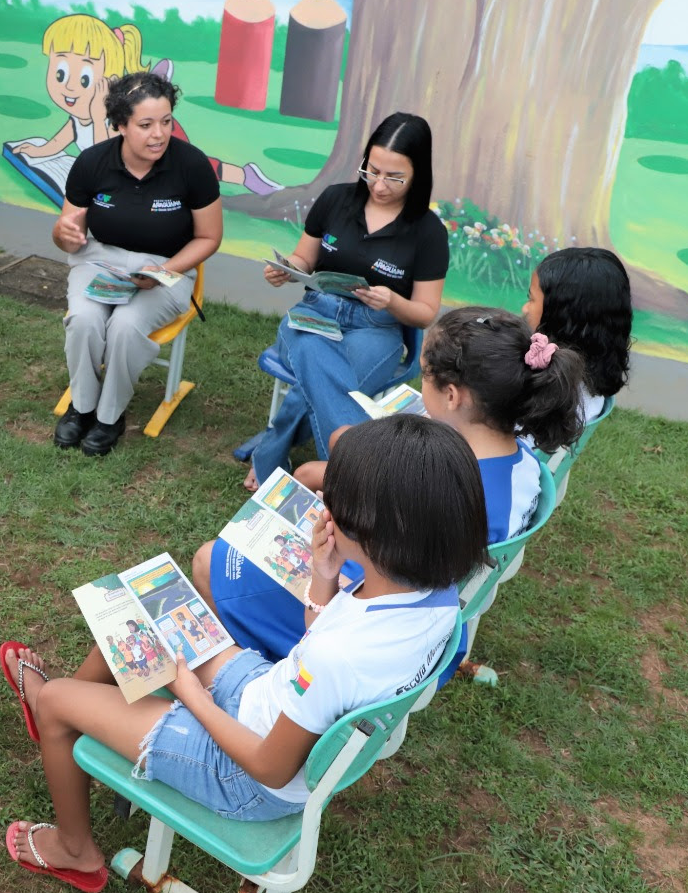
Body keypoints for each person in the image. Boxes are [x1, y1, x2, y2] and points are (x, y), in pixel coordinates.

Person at [0, 415, 481, 892]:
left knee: (58, 697)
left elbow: (270, 766)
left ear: (371, 533)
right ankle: (65, 729)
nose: (323, 504)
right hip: (268, 697)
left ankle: (76, 846)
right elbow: (322, 638)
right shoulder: (438, 600)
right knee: (148, 613)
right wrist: (325, 573)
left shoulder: (339, 657)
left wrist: (193, 696)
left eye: (336, 499)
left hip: (245, 778)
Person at [206, 307, 585, 673]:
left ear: (453, 396)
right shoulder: (522, 462)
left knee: (211, 560)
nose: (420, 388)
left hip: (359, 624)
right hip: (420, 616)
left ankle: (259, 677)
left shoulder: (434, 484)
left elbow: (374, 563)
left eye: (423, 376)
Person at [242, 112, 449, 488]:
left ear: (418, 173)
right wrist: (287, 268)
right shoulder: (337, 199)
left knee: (315, 370)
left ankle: (275, 451)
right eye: (372, 170)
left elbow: (424, 313)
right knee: (313, 353)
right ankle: (354, 479)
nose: (380, 185)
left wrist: (391, 302)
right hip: (314, 314)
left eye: (394, 177)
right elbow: (304, 258)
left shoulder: (428, 231)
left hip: (377, 327)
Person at [49, 70, 224, 456]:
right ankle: (81, 408)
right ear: (119, 125)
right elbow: (65, 230)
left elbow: (209, 237)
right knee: (84, 320)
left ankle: (109, 417)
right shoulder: (92, 163)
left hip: (168, 267)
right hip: (97, 261)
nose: (159, 134)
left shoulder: (192, 166)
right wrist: (66, 234)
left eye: (165, 121)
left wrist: (164, 271)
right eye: (145, 125)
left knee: (126, 327)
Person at [9, 13, 282, 197]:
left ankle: (247, 176)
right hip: (138, 124)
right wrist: (39, 150)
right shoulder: (80, 117)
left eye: (83, 78)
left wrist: (96, 117)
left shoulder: (115, 122)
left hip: (161, 133)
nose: (68, 87)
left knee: (202, 167)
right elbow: (61, 140)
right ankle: (153, 82)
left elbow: (104, 157)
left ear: (109, 79)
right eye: (60, 73)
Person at [522, 246, 632, 428]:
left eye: (531, 299)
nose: (525, 308)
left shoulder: (546, 397)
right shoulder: (591, 379)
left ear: (560, 317)